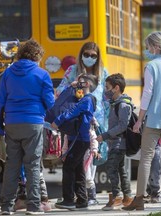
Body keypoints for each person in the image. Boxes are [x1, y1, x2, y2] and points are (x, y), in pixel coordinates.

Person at [0, 39, 55, 215]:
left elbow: (1, 102)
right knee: (33, 166)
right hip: (33, 123)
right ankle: (34, 206)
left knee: (12, 166)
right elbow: (50, 102)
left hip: (12, 123)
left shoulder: (8, 73)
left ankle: (7, 206)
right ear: (37, 56)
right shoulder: (42, 74)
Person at [122, 31, 161, 211]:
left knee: (146, 158)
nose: (147, 50)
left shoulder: (151, 66)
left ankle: (139, 199)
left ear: (155, 46)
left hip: (154, 119)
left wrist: (139, 120)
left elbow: (147, 94)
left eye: (148, 46)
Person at [56, 41, 109, 205]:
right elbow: (59, 91)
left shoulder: (103, 73)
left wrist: (107, 123)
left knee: (90, 158)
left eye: (93, 56)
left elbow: (106, 98)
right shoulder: (72, 71)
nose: (89, 58)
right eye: (86, 54)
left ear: (98, 57)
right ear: (81, 55)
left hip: (96, 121)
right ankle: (82, 195)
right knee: (78, 160)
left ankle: (88, 194)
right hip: (75, 121)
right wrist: (72, 86)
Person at [52, 74, 98, 210]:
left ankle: (68, 199)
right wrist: (70, 87)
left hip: (79, 139)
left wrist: (57, 121)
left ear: (87, 85)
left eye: (81, 83)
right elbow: (62, 100)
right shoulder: (84, 99)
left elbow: (72, 111)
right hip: (77, 138)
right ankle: (82, 200)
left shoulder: (87, 100)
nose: (78, 84)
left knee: (68, 168)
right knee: (79, 170)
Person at [96, 73, 133, 211]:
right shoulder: (115, 104)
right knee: (121, 170)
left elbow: (123, 125)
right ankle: (128, 197)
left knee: (111, 168)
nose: (106, 90)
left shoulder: (122, 105)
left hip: (119, 143)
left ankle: (117, 196)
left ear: (116, 88)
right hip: (115, 143)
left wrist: (105, 135)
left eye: (108, 87)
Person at [143, 139, 161, 204]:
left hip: (156, 141)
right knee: (145, 167)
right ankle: (149, 192)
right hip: (144, 141)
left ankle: (154, 192)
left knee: (155, 167)